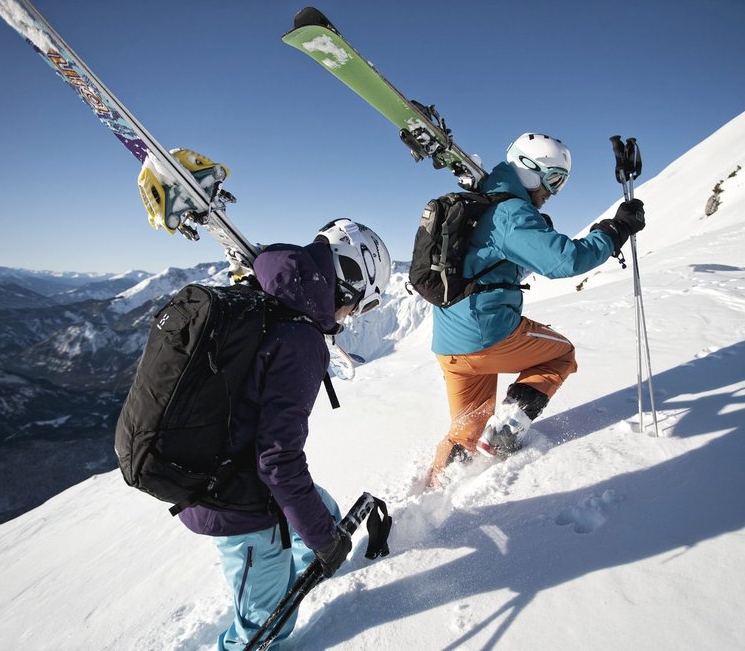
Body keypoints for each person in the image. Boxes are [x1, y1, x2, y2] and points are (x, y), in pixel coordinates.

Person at [178, 218, 393, 650]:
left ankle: (290, 569)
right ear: (348, 283)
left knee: (326, 516)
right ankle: (270, 598)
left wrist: (323, 532)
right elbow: (278, 460)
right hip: (236, 503)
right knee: (263, 631)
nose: (353, 317)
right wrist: (323, 543)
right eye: (363, 305)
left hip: (236, 469)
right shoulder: (298, 338)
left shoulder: (272, 297)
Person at [427, 132, 646, 486]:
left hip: (451, 346)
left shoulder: (484, 203)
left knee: (465, 432)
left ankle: (428, 493)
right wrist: (615, 230)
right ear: (529, 170)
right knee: (561, 355)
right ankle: (504, 433)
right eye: (553, 180)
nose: (554, 192)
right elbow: (564, 261)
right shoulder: (509, 212)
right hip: (489, 335)